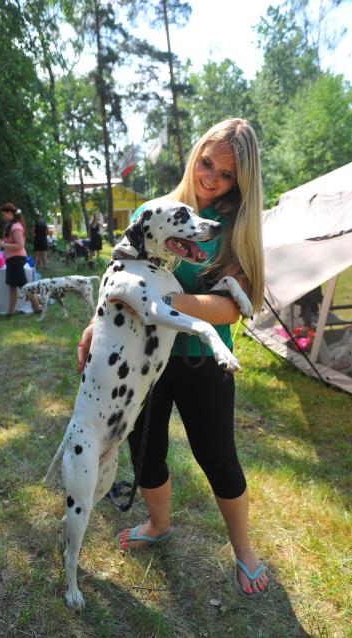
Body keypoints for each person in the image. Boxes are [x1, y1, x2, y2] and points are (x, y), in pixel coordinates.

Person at [77, 119, 269, 598]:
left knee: (218, 457)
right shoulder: (152, 211)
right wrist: (95, 325)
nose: (211, 178)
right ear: (195, 155)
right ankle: (159, 523)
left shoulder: (234, 228)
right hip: (140, 361)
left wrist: (161, 302)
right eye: (207, 162)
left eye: (226, 175)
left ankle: (243, 548)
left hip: (203, 360)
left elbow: (233, 306)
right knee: (146, 452)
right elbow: (117, 278)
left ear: (240, 182)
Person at [0, 203, 41, 316]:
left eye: (3, 214)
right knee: (12, 285)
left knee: (22, 285)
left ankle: (37, 307)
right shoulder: (11, 226)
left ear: (10, 213)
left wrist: (2, 244)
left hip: (16, 259)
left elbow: (20, 245)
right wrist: (0, 244)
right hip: (12, 259)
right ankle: (11, 312)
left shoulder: (16, 227)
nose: (3, 217)